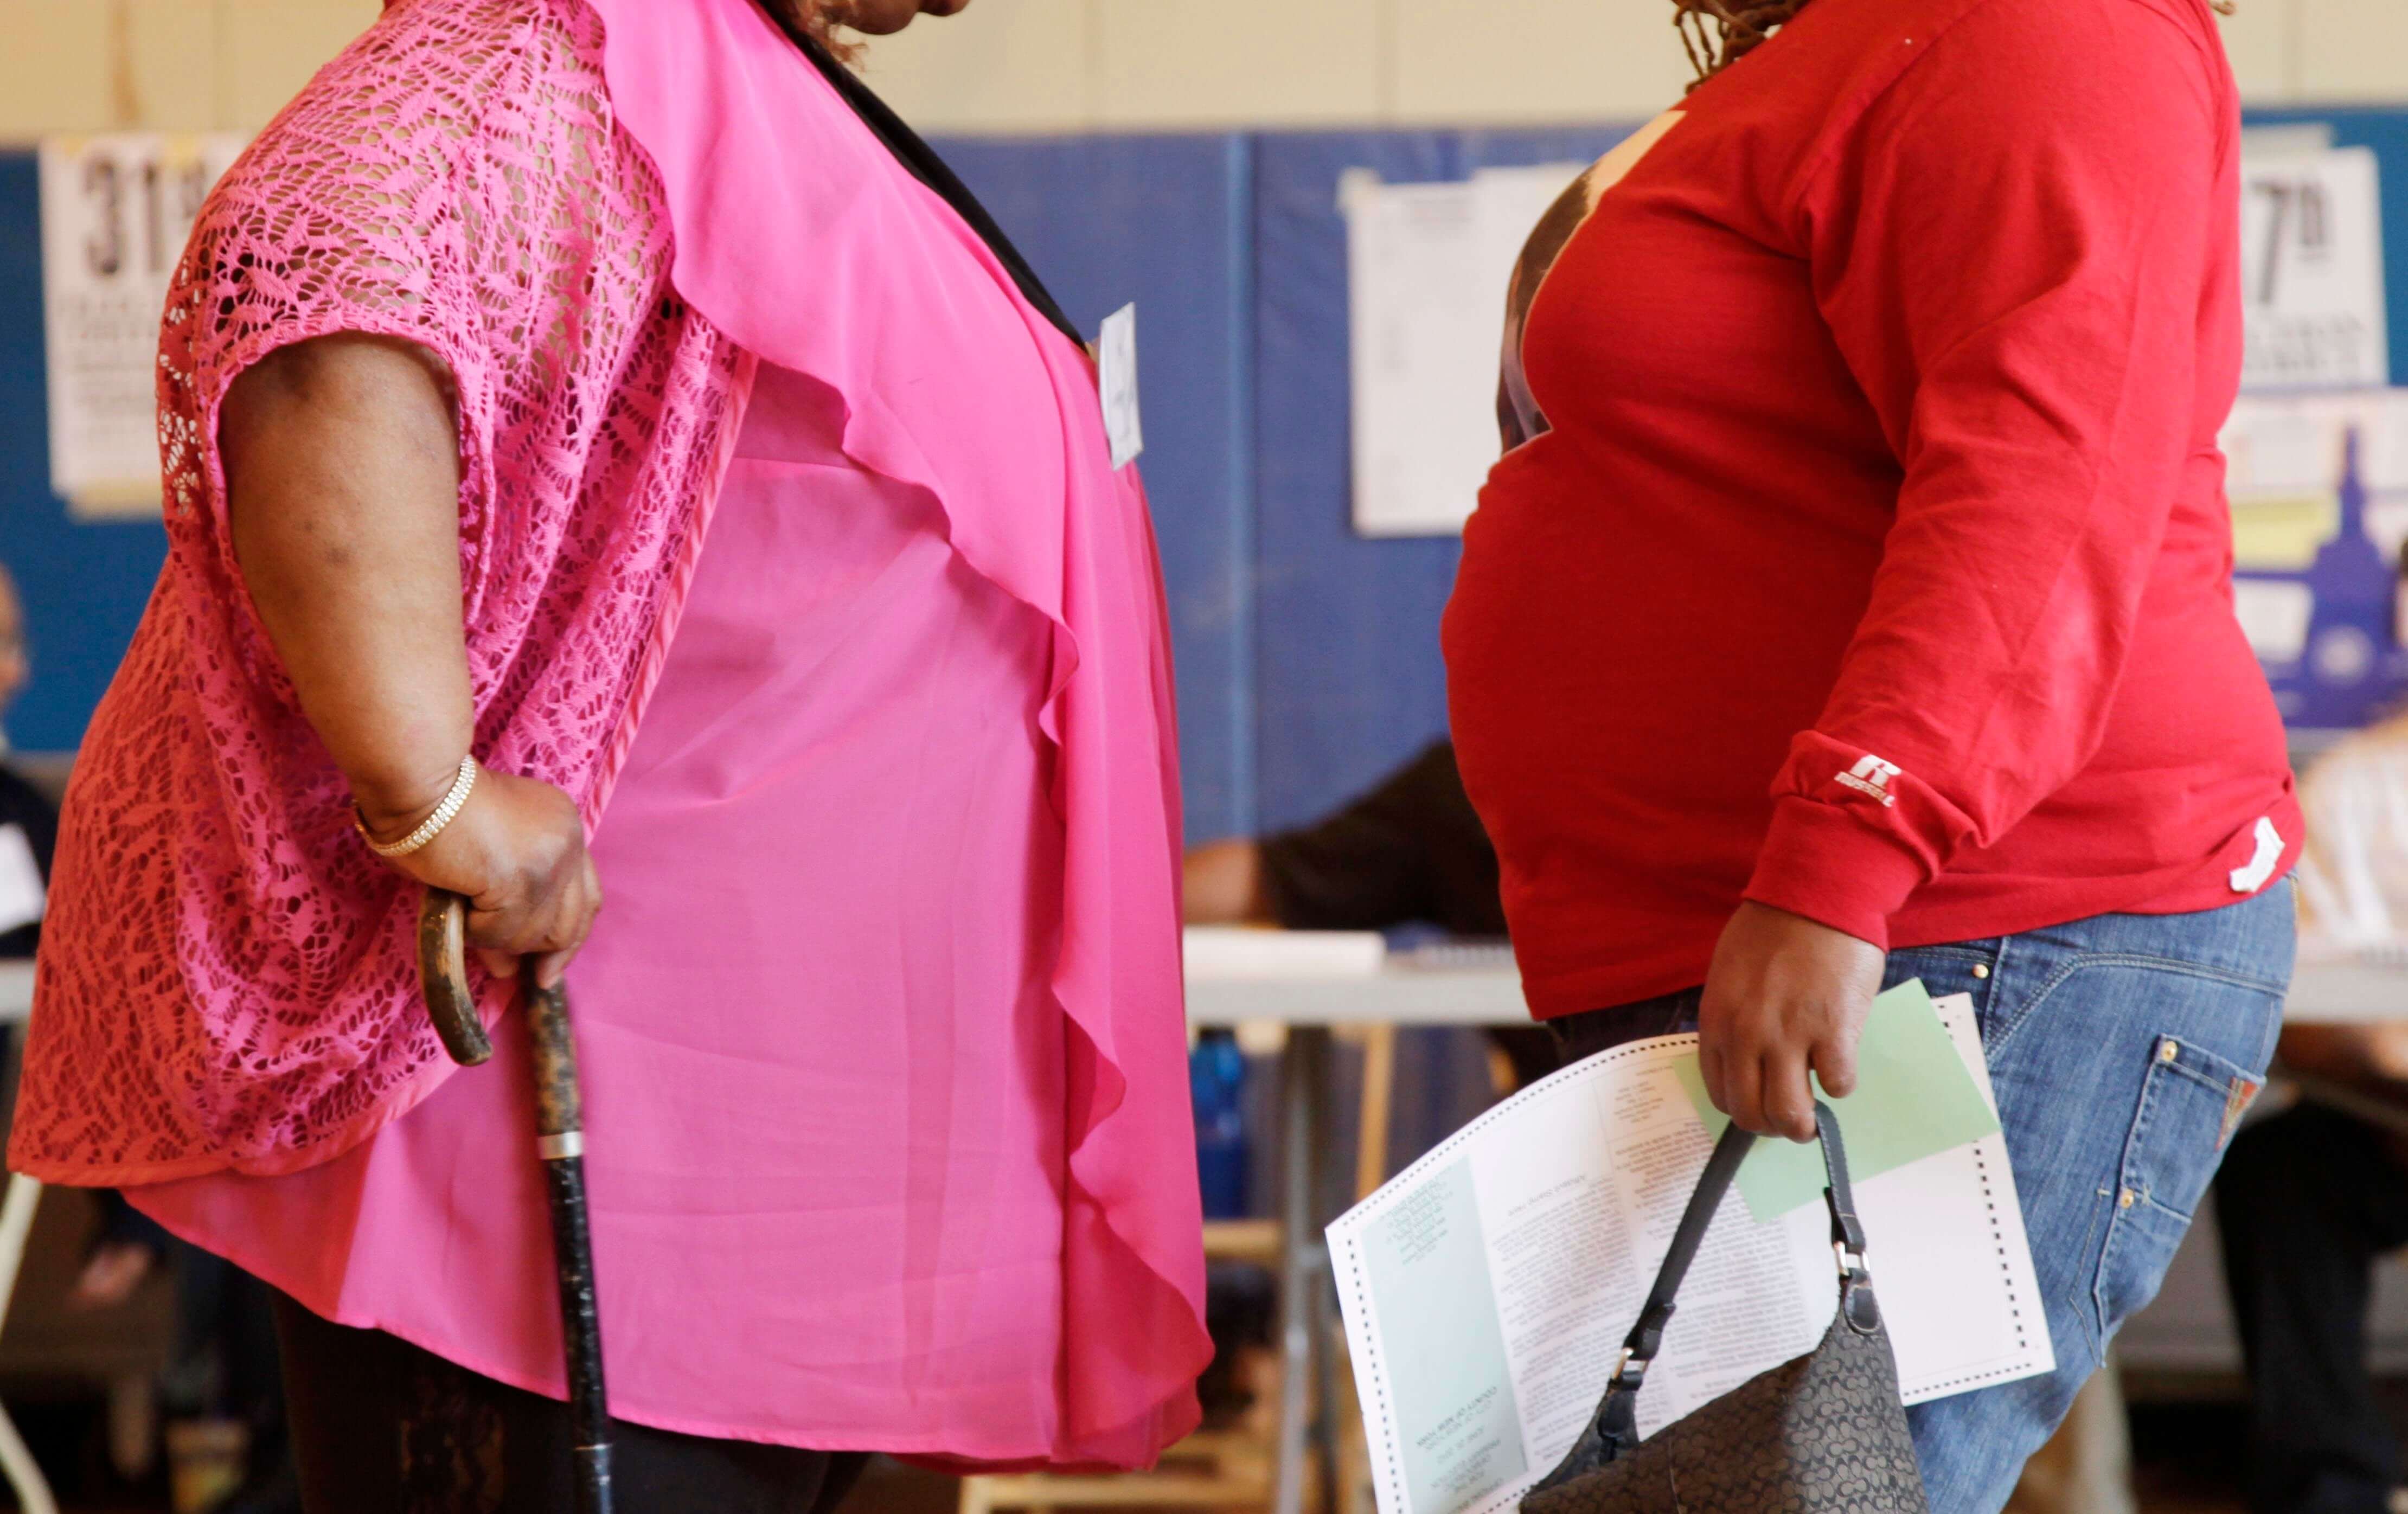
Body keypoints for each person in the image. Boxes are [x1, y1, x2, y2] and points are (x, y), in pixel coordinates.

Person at [8, 0, 1210, 1509]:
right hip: (585, 1184)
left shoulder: (733, 78)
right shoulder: (574, 37)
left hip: (774, 1214)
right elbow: (320, 295)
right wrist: (434, 793)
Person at [1442, 2, 2297, 1510]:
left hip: (1971, 932)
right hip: (1814, 945)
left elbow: (2045, 486)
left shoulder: (2040, 23)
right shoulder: (1847, 47)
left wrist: (1849, 854)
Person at [2215, 714, 2408, 1514]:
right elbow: (2305, 1009)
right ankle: (2331, 1489)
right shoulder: (2355, 787)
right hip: (2386, 1116)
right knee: (2280, 1172)